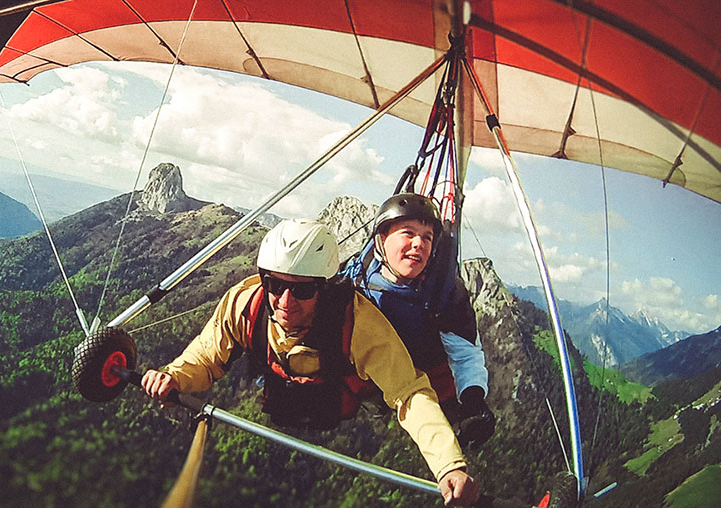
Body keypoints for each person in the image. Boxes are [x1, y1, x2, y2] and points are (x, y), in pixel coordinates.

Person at [142, 219, 480, 506]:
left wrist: (448, 464)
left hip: (346, 400)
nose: (286, 301)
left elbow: (409, 393)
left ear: (324, 288)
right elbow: (206, 354)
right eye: (275, 285)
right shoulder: (247, 302)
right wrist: (175, 377)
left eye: (302, 291)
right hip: (281, 391)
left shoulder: (359, 323)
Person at [341, 193, 495, 449]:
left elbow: (466, 354)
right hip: (370, 374)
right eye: (407, 233)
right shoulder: (358, 278)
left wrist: (473, 400)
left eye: (427, 238)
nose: (418, 244)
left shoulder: (443, 293)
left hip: (420, 380)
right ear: (381, 239)